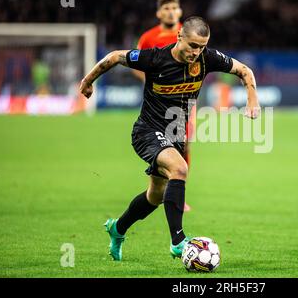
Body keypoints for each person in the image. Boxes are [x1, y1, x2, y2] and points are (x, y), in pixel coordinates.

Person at [79, 16, 260, 261]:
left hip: (175, 135)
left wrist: (252, 99)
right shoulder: (155, 58)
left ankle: (117, 229)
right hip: (146, 131)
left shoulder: (207, 59)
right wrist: (88, 81)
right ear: (179, 37)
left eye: (202, 46)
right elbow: (114, 57)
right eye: (193, 45)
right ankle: (178, 241)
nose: (197, 52)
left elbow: (244, 70)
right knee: (180, 168)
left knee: (154, 196)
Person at [132, 0, 192, 212]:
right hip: (158, 103)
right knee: (162, 142)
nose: (170, 11)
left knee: (184, 144)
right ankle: (163, 184)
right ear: (158, 13)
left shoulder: (188, 35)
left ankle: (179, 192)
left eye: (174, 7)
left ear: (180, 11)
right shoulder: (149, 38)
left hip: (184, 102)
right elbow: (138, 65)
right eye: (165, 8)